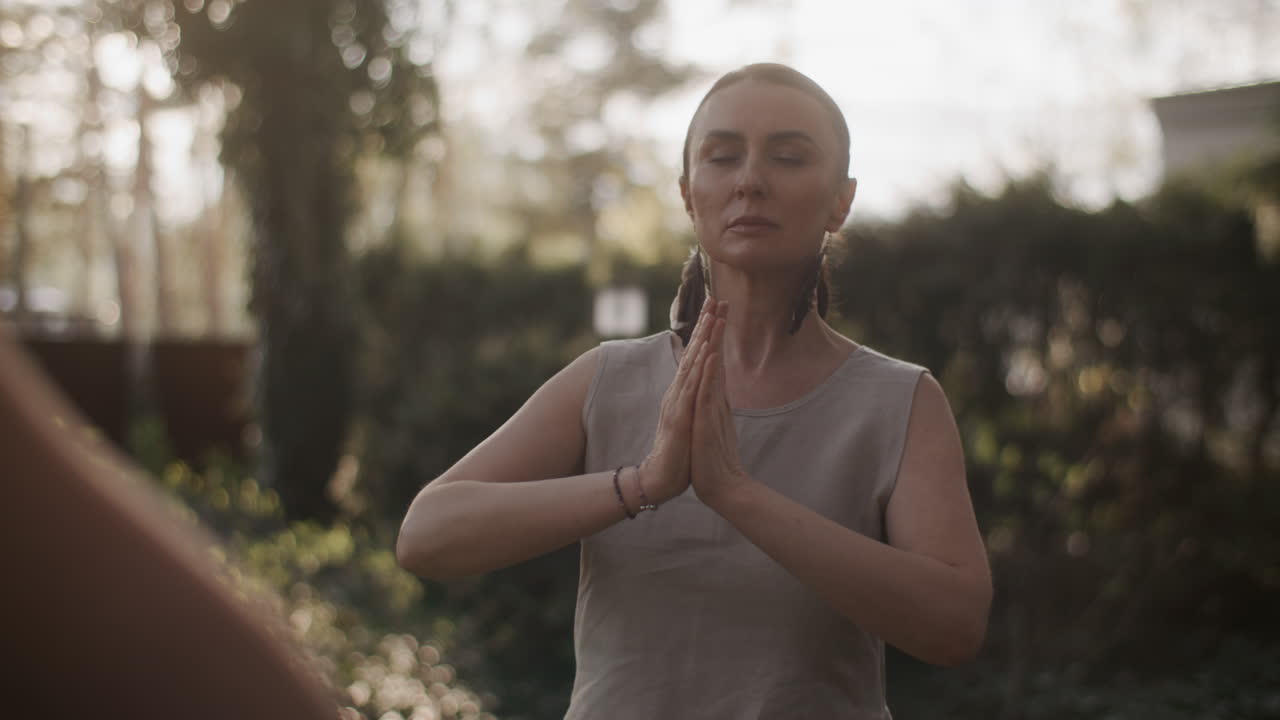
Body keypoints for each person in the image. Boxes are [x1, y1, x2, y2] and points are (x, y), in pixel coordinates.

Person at [396, 62, 992, 718]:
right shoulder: (609, 380)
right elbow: (427, 535)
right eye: (722, 156)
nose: (751, 180)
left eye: (790, 157)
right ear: (688, 193)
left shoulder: (900, 402)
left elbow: (955, 624)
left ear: (840, 201)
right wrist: (644, 485)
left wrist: (735, 494)